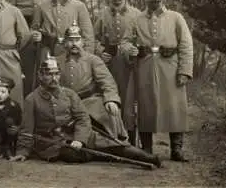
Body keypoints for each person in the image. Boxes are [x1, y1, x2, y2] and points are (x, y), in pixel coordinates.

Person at [9, 55, 161, 168]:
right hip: (54, 144)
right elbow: (26, 130)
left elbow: (83, 118)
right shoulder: (32, 99)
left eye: (56, 74)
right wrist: (22, 152)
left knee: (115, 146)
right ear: (40, 76)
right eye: (49, 74)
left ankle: (150, 158)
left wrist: (80, 139)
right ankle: (98, 155)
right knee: (72, 155)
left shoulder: (69, 94)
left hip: (78, 134)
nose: (53, 78)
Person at [120, 0, 193, 162]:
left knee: (175, 106)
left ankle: (176, 149)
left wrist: (184, 71)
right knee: (144, 107)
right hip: (144, 67)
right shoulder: (136, 20)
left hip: (170, 66)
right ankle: (147, 149)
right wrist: (130, 50)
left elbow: (186, 45)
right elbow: (125, 42)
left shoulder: (176, 18)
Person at [57, 21, 129, 142]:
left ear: (83, 42)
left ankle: (113, 143)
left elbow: (107, 82)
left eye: (77, 40)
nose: (74, 44)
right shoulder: (57, 61)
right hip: (66, 103)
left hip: (89, 102)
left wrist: (111, 99)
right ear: (64, 43)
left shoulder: (93, 60)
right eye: (70, 40)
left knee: (107, 112)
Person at [93, 0, 141, 145]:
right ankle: (114, 139)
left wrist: (135, 50)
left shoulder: (137, 15)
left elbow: (142, 39)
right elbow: (94, 38)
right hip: (109, 64)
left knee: (131, 103)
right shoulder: (102, 15)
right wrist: (99, 52)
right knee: (112, 99)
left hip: (130, 65)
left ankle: (133, 142)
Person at [31, 0, 94, 88]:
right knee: (48, 85)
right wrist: (35, 35)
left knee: (69, 85)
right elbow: (34, 28)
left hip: (71, 52)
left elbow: (88, 36)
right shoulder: (42, 6)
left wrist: (85, 59)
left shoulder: (79, 6)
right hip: (48, 52)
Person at [6, 0, 53, 97]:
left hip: (46, 36)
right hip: (24, 38)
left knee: (46, 72)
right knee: (26, 75)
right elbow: (9, 15)